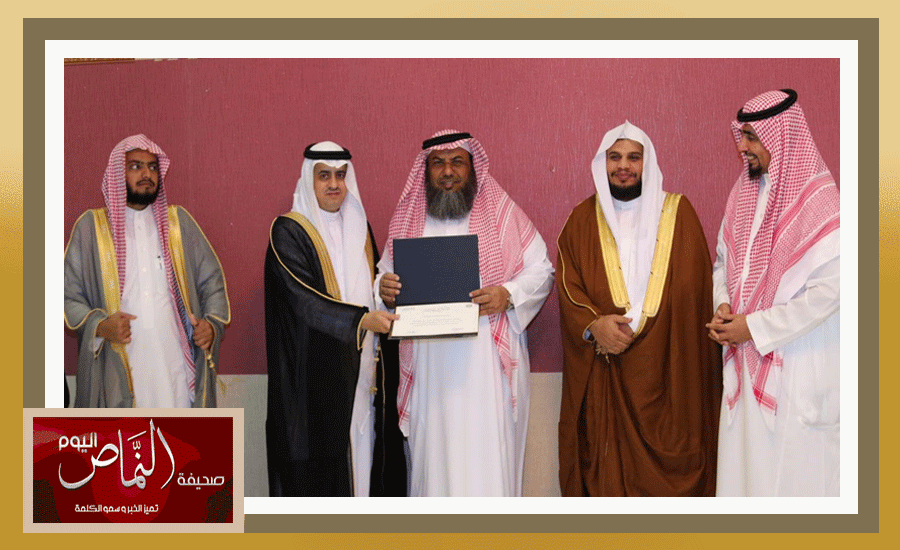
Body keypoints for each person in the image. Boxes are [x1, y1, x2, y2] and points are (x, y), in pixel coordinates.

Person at [377, 130, 554, 497]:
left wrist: (507, 294)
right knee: (434, 459)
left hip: (485, 364)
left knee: (486, 458)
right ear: (426, 170)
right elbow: (384, 279)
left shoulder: (501, 213)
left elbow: (542, 271)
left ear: (472, 167)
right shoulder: (409, 219)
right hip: (429, 367)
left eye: (457, 162)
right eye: (438, 163)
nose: (447, 171)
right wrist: (384, 289)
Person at [557, 121, 722, 497]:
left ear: (648, 162)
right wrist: (595, 326)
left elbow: (695, 294)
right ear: (603, 163)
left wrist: (652, 331)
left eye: (634, 157)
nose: (623, 166)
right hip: (607, 372)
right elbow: (569, 285)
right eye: (615, 157)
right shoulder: (581, 220)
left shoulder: (679, 213)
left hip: (669, 375)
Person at [707, 89, 840, 496]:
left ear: (781, 136)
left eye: (751, 137)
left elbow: (829, 293)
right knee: (745, 478)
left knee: (790, 486)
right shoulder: (742, 194)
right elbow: (722, 262)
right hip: (746, 363)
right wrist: (723, 304)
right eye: (742, 136)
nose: (742, 146)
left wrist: (754, 327)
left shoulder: (822, 202)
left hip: (796, 368)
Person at [264, 141, 404, 497]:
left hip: (362, 372)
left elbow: (368, 287)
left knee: (364, 458)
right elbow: (303, 301)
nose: (334, 184)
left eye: (340, 175)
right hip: (313, 382)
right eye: (324, 175)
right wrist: (361, 321)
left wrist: (382, 291)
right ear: (309, 179)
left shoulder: (361, 228)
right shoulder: (288, 231)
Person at [64, 134, 230, 408]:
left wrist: (211, 326)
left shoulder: (178, 225)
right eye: (135, 166)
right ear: (118, 173)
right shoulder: (91, 229)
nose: (146, 174)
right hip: (116, 366)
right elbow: (67, 295)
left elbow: (212, 282)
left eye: (152, 167)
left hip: (174, 364)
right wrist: (101, 326)